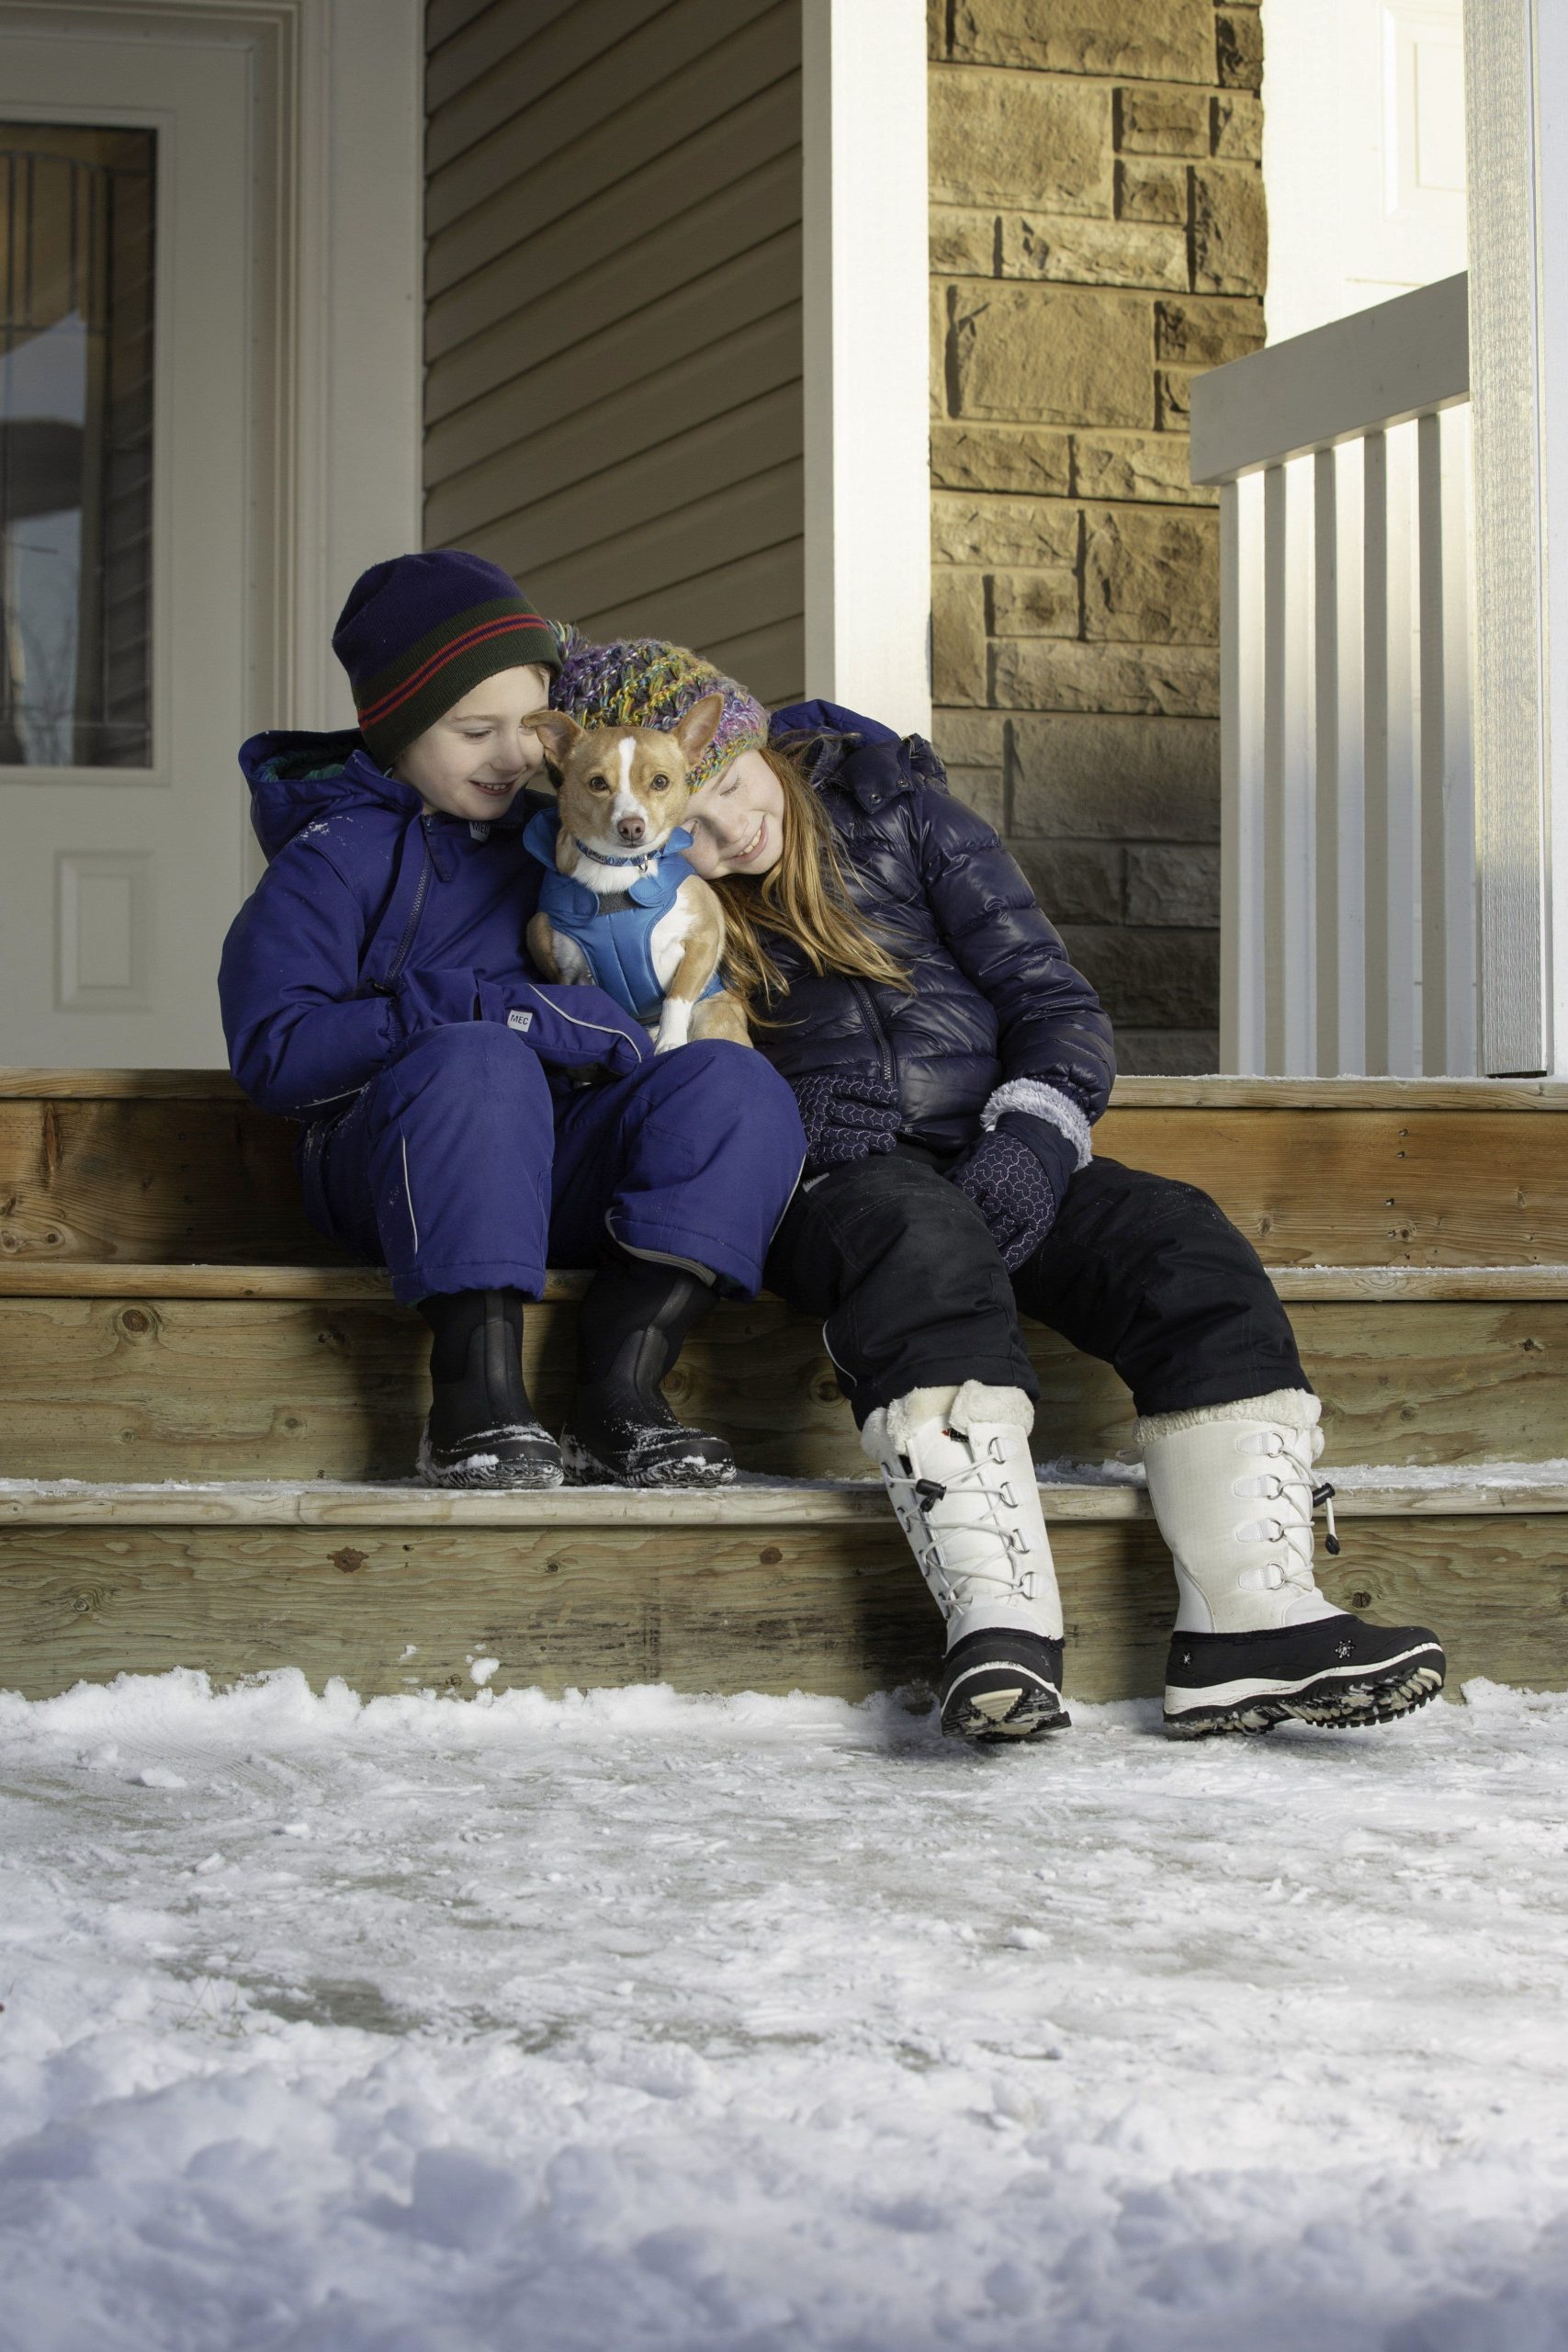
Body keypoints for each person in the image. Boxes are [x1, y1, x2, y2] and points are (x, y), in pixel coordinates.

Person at [551, 643, 1447, 1746]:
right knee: (917, 1244)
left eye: (732, 785)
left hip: (991, 1136)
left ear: (756, 748)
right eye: (692, 821)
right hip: (836, 1175)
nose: (730, 830)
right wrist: (793, 1123)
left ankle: (1254, 1620)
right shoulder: (649, 906)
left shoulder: (897, 810)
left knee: (1179, 1242)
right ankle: (1001, 1624)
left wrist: (1033, 1134)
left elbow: (1050, 997)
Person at [218, 553, 805, 1492]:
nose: (511, 756)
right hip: (397, 1164)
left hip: (555, 1162)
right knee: (481, 1058)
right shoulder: (329, 859)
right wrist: (493, 1011)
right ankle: (475, 1397)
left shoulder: (559, 831)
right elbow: (275, 1052)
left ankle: (622, 1391)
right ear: (395, 727)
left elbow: (682, 801)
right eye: (472, 730)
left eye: (526, 726)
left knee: (735, 1084)